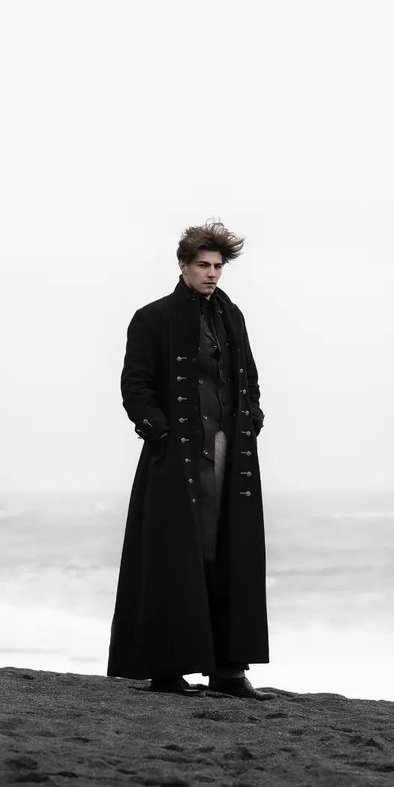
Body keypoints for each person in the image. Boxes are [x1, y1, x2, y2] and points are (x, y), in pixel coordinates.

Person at [107, 221, 272, 700]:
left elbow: (248, 377)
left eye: (218, 266)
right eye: (203, 265)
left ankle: (229, 673)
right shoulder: (152, 318)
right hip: (175, 460)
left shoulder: (232, 316)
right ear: (183, 265)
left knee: (228, 553)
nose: (212, 273)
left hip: (229, 454)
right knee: (176, 557)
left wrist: (253, 417)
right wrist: (159, 432)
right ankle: (167, 671)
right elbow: (135, 385)